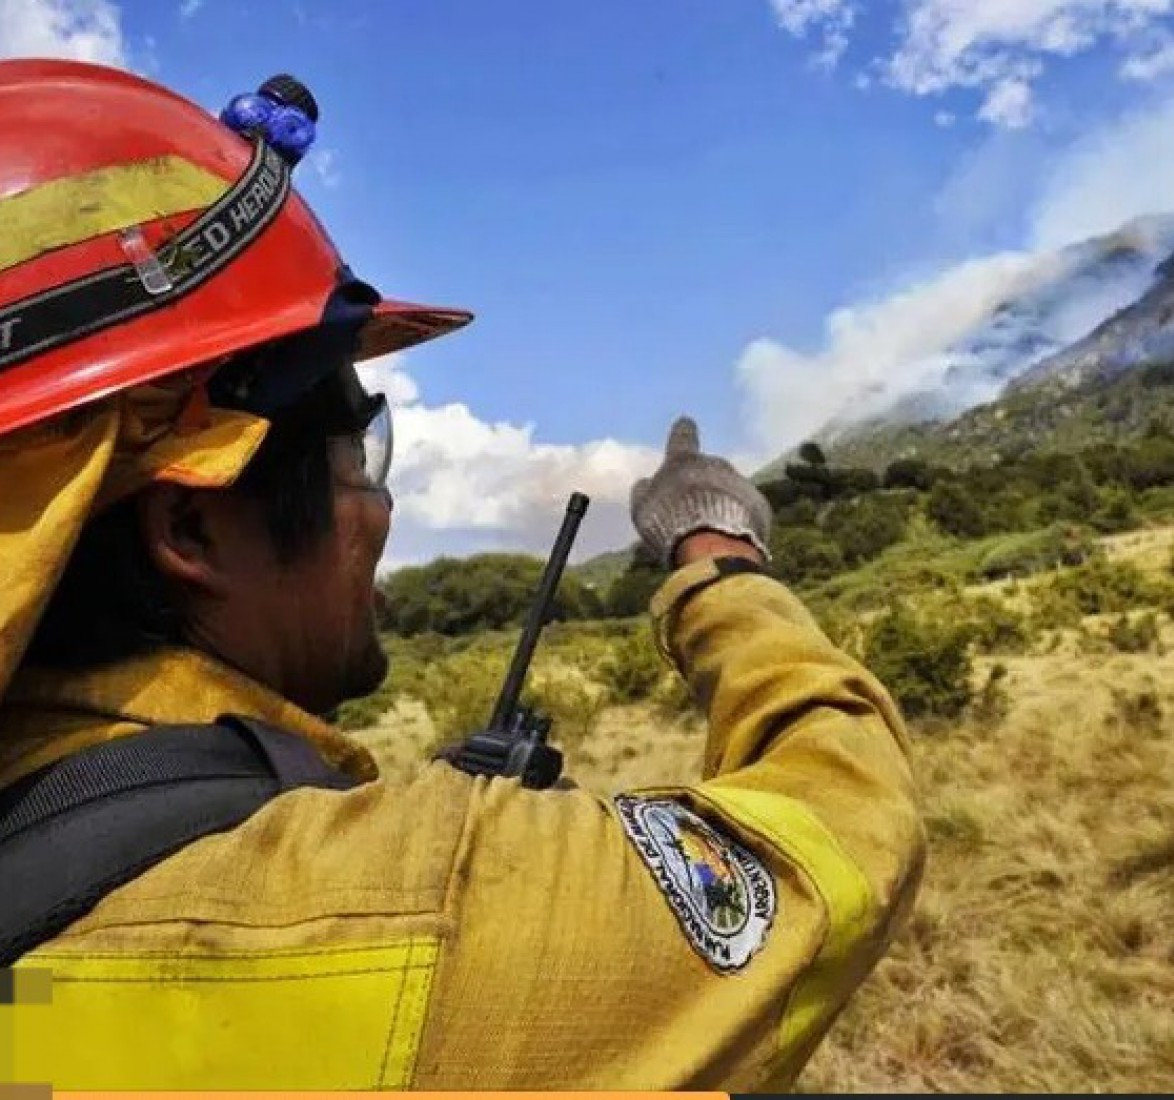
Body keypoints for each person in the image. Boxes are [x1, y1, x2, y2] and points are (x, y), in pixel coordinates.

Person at [0, 59, 925, 1092]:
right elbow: (846, 835)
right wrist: (718, 559)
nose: (381, 514)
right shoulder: (409, 907)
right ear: (192, 524)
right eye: (362, 458)